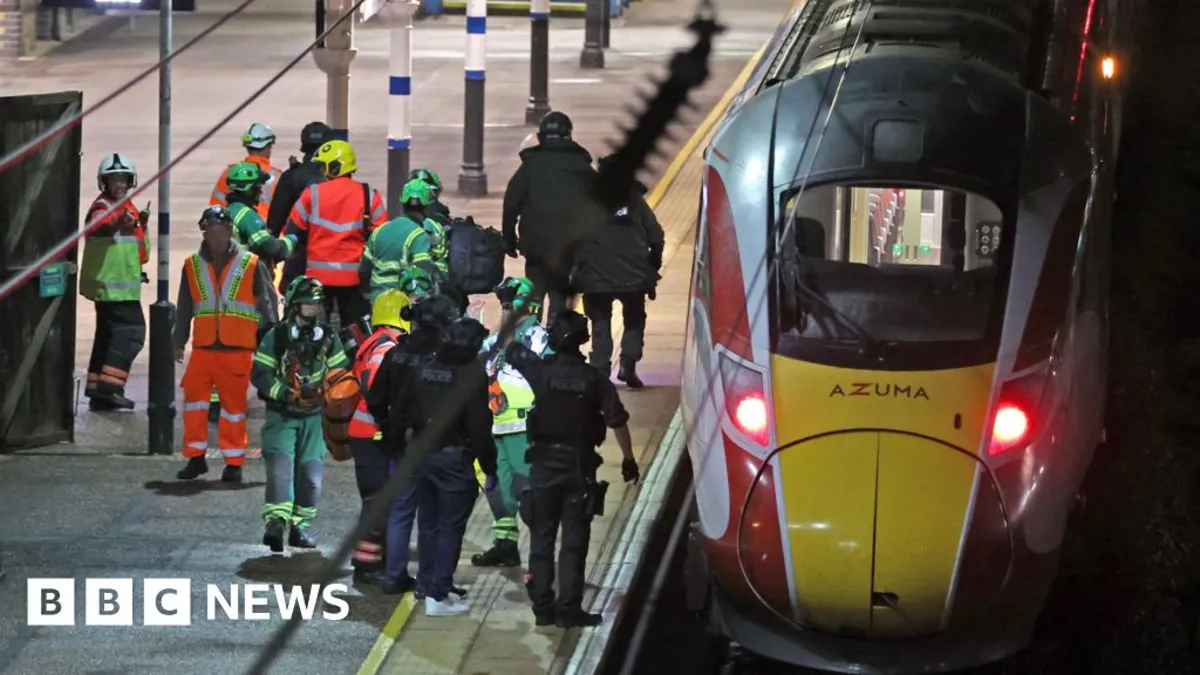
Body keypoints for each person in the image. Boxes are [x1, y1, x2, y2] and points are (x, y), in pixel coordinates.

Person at [503, 310, 640, 628]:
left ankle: (542, 607)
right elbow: (616, 420)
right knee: (574, 543)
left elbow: (511, 349)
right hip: (578, 468)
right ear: (583, 340)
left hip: (542, 465)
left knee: (541, 537)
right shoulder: (594, 378)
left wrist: (517, 315)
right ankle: (569, 610)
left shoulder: (540, 370)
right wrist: (628, 459)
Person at [372, 309, 497, 616]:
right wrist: (490, 467)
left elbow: (400, 410)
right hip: (452, 458)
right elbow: (480, 426)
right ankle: (437, 595)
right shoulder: (471, 374)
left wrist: (393, 447)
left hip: (418, 453)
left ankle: (426, 584)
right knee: (450, 528)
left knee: (427, 523)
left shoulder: (426, 367)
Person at [174, 207, 279, 483]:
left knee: (233, 409)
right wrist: (178, 341)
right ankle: (195, 458)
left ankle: (234, 463)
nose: (217, 236)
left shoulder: (251, 263)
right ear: (204, 233)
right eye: (211, 231)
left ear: (230, 231)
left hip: (237, 349)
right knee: (194, 404)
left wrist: (270, 343)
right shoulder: (192, 265)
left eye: (221, 231)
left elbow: (267, 305)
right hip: (203, 348)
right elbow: (185, 307)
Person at [367, 294, 459, 596]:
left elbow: (375, 398)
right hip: (434, 446)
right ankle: (426, 582)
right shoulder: (444, 356)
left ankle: (393, 577)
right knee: (431, 516)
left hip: (401, 445)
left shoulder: (397, 353)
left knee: (401, 511)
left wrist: (389, 428)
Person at [252, 276, 350, 551]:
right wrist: (287, 394)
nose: (314, 308)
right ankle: (276, 523)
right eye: (308, 303)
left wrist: (328, 396)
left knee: (311, 475)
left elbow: (340, 373)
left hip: (314, 418)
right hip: (281, 416)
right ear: (295, 305)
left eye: (317, 303)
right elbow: (261, 374)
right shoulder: (278, 337)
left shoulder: (328, 338)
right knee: (281, 469)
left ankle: (300, 527)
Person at [472, 277, 551, 568]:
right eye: (503, 305)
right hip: (495, 428)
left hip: (524, 429)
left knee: (528, 493)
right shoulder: (495, 339)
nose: (504, 312)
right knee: (498, 492)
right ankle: (505, 546)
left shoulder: (542, 339)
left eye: (509, 305)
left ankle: (542, 556)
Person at [572, 154, 665, 389]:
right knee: (634, 318)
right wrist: (652, 266)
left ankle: (601, 369)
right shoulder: (633, 199)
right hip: (632, 275)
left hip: (596, 277)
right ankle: (628, 364)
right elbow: (656, 235)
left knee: (600, 321)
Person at [501, 111, 597, 319]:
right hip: (568, 247)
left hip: (535, 246)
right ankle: (555, 338)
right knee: (559, 297)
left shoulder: (530, 166)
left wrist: (508, 239)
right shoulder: (581, 167)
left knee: (533, 294)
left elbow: (511, 203)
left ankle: (532, 338)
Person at [286, 139, 388, 328]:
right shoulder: (369, 195)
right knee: (355, 333)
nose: (322, 172)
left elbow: (292, 231)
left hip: (317, 279)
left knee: (316, 332)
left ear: (335, 167)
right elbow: (381, 237)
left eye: (324, 167)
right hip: (354, 280)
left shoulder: (311, 193)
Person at [347, 289, 411, 583]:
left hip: (363, 432)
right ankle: (366, 565)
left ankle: (372, 561)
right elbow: (374, 387)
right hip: (372, 434)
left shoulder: (375, 341)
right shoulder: (386, 347)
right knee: (379, 501)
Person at [81, 153, 151, 411]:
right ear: (105, 183)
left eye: (123, 180)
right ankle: (110, 388)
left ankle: (97, 389)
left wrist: (138, 224)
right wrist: (115, 223)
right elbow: (98, 225)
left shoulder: (126, 205)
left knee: (108, 336)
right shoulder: (104, 207)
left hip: (115, 285)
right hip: (113, 287)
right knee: (131, 333)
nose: (119, 185)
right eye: (114, 180)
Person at [269, 122, 336, 293]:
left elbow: (275, 221)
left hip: (298, 257)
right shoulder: (336, 177)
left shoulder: (291, 177)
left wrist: (271, 257)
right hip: (333, 258)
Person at [359, 177, 440, 304]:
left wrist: (367, 295)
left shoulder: (379, 231)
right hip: (402, 304)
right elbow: (422, 270)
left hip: (377, 302)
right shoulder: (419, 235)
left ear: (402, 204)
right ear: (426, 208)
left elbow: (364, 269)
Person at [210, 122, 282, 221]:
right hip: (265, 233)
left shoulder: (229, 172)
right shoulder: (278, 177)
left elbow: (215, 206)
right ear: (267, 146)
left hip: (234, 232)